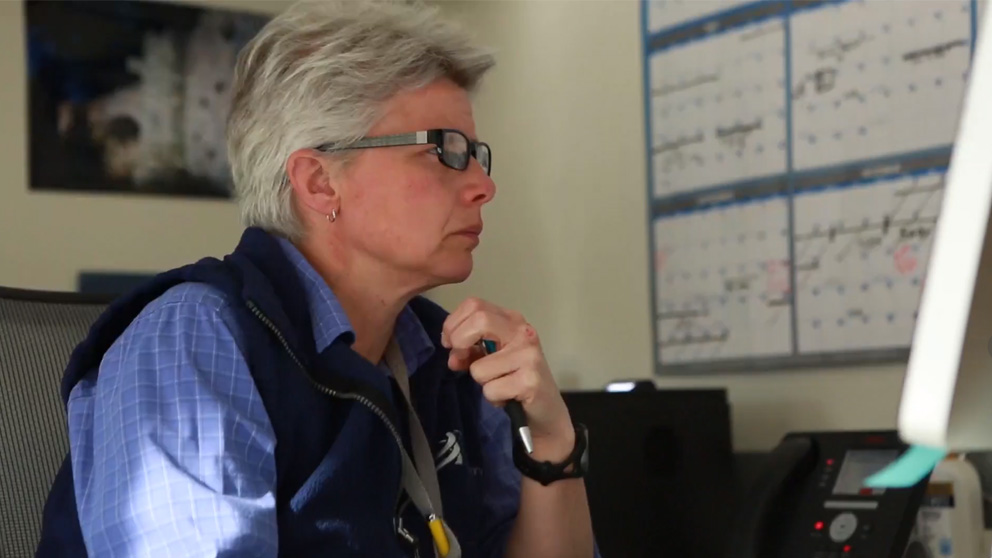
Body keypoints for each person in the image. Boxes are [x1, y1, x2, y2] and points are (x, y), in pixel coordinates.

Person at [36, 1, 598, 557]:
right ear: (320, 183)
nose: (483, 186)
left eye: (476, 154)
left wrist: (550, 444)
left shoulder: (448, 356)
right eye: (446, 151)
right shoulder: (194, 340)